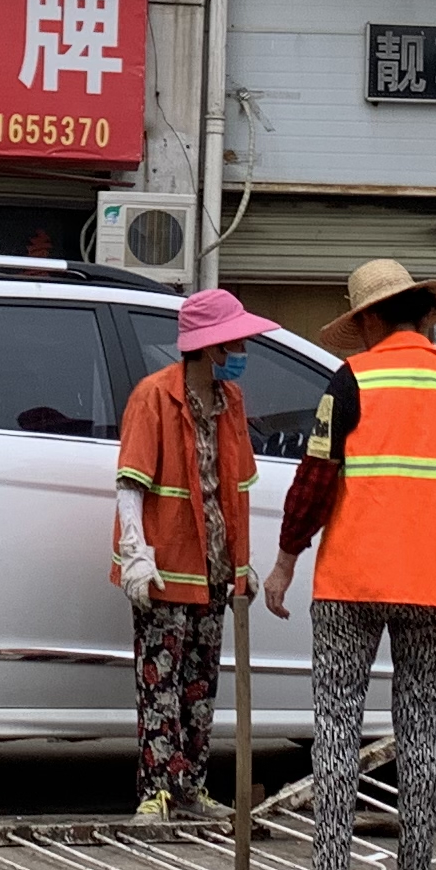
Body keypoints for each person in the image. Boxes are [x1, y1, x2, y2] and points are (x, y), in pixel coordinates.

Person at [265, 257, 436, 870]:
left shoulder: (354, 378)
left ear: (367, 317)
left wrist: (284, 562)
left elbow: (314, 481)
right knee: (421, 728)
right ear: (425, 314)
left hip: (354, 581)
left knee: (336, 725)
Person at [110, 287, 278, 818]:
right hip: (165, 565)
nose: (243, 351)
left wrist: (243, 563)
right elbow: (130, 485)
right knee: (160, 682)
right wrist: (135, 553)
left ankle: (191, 789)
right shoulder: (154, 396)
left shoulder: (231, 403)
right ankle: (157, 791)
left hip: (214, 569)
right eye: (236, 342)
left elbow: (238, 487)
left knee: (200, 686)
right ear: (211, 347)